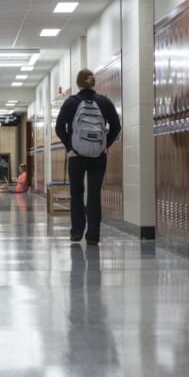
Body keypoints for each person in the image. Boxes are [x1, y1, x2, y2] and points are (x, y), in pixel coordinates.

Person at [55, 69, 122, 246]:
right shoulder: (104, 102)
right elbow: (116, 127)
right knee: (94, 194)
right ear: (93, 83)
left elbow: (59, 128)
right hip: (98, 157)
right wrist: (104, 145)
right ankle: (93, 235)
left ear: (78, 84)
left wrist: (70, 146)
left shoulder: (71, 102)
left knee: (76, 193)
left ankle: (77, 231)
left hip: (76, 156)